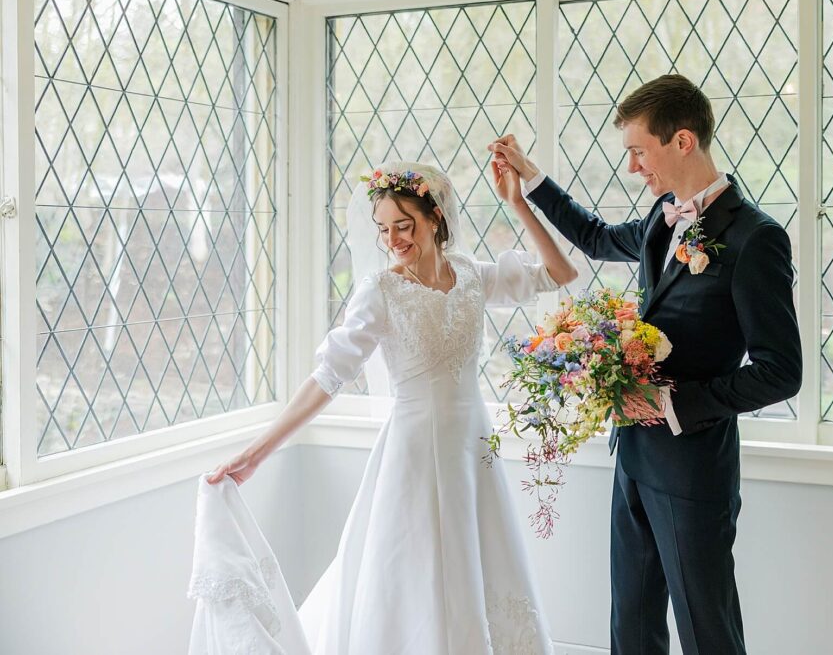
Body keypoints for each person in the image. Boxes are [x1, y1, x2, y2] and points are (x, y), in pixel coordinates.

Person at [206, 159, 577, 654]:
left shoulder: (471, 276)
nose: (392, 240)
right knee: (413, 572)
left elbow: (560, 272)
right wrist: (256, 452)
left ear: (436, 218)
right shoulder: (379, 292)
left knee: (479, 559)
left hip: (473, 448)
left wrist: (517, 201)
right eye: (383, 229)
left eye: (404, 226)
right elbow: (327, 377)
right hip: (413, 452)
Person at [489, 73, 802, 655]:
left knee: (707, 631)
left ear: (682, 142)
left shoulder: (756, 239)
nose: (633, 166)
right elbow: (598, 237)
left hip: (693, 471)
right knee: (630, 627)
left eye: (638, 150)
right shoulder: (663, 215)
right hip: (632, 456)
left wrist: (667, 402)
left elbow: (781, 371)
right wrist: (529, 179)